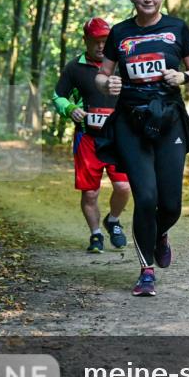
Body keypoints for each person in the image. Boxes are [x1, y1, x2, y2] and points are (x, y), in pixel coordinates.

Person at [95, 0, 189, 297]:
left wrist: (183, 78)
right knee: (145, 198)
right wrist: (108, 83)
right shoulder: (120, 33)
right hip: (131, 123)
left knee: (170, 205)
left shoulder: (177, 28)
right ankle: (146, 272)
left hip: (169, 121)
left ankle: (159, 235)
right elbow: (102, 76)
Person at [52, 17, 131, 253]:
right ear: (86, 40)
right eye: (95, 41)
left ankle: (113, 220)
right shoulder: (74, 68)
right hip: (87, 138)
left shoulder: (122, 65)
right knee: (90, 192)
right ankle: (96, 235)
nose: (100, 46)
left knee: (124, 187)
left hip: (118, 138)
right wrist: (69, 108)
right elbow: (58, 96)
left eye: (105, 41)